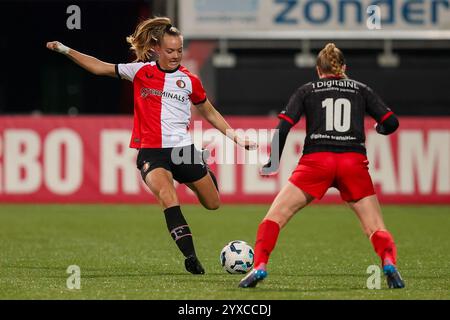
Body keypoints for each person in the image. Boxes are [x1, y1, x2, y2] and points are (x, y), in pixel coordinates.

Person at [47, 17, 256, 275]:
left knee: (213, 203)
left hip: (183, 150)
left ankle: (202, 170)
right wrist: (66, 50)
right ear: (157, 49)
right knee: (168, 197)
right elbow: (99, 68)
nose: (175, 55)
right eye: (170, 51)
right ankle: (190, 256)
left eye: (179, 50)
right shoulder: (141, 72)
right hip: (151, 152)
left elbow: (210, 112)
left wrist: (237, 137)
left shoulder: (189, 80)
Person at [239, 43, 404, 289]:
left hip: (316, 162)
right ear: (344, 68)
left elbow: (283, 127)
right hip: (353, 162)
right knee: (375, 226)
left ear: (318, 70)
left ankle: (260, 265)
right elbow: (391, 122)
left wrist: (272, 162)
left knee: (275, 217)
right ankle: (389, 262)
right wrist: (380, 128)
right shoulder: (361, 89)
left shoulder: (308, 90)